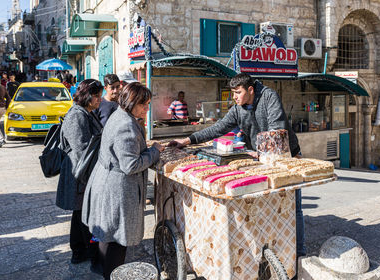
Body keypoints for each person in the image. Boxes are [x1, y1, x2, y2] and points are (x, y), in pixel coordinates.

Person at [169, 73, 306, 256]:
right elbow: (218, 128)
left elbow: (277, 128)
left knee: (292, 207)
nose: (234, 97)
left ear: (250, 90)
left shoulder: (269, 96)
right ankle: (273, 251)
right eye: (232, 93)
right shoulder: (238, 108)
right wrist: (187, 140)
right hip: (261, 161)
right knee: (268, 207)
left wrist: (261, 152)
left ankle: (299, 253)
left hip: (286, 157)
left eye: (237, 92)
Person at [82, 82, 164, 280]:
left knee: (107, 232)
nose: (147, 109)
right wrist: (155, 151)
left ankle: (102, 268)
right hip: (117, 187)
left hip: (108, 181)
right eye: (144, 105)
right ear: (131, 103)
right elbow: (131, 165)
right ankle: (112, 273)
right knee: (117, 237)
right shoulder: (125, 125)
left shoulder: (121, 115)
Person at [55, 79, 103, 266]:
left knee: (80, 213)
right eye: (96, 96)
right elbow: (83, 148)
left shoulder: (86, 113)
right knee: (84, 214)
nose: (100, 99)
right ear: (86, 96)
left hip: (83, 171)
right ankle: (89, 252)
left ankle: (79, 251)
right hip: (80, 173)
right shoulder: (77, 115)